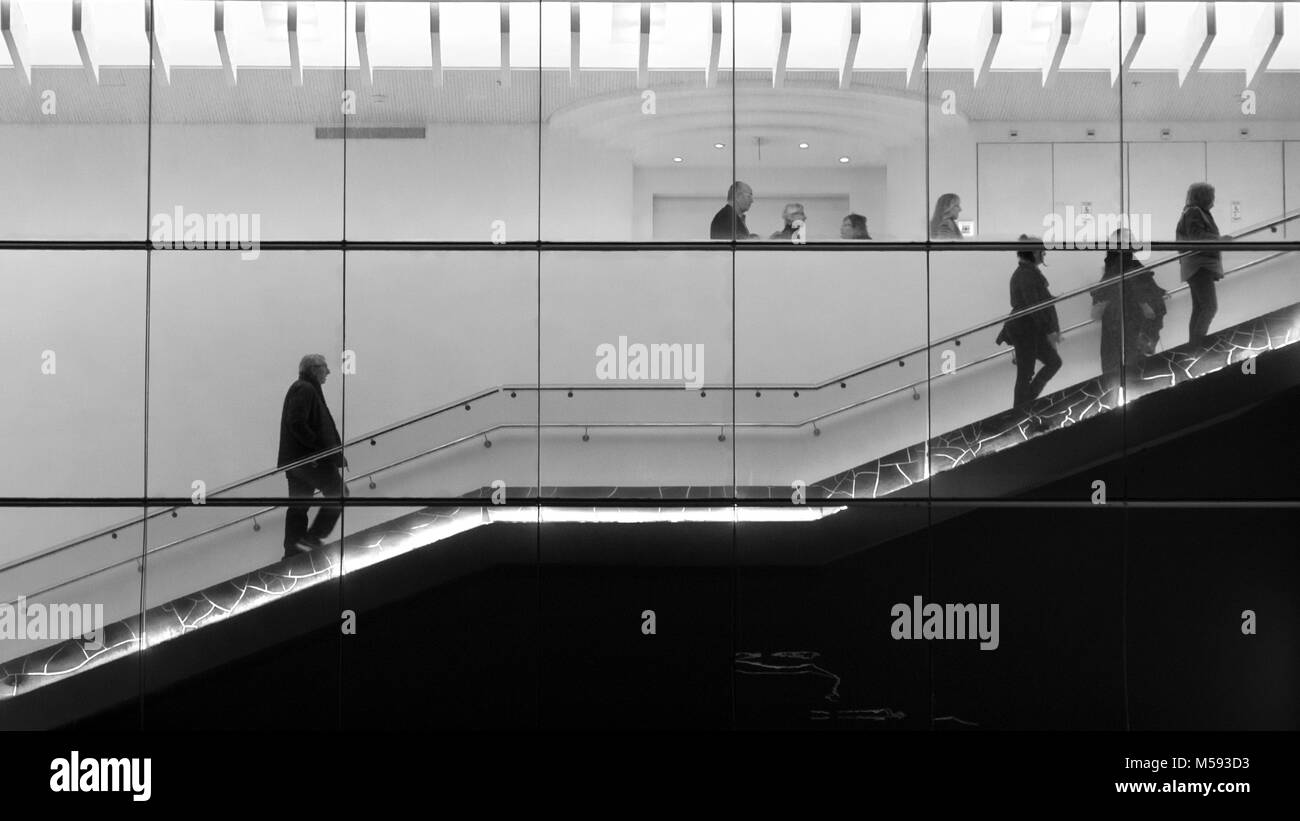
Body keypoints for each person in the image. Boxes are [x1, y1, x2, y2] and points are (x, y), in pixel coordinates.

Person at [278, 353, 348, 557]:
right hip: (310, 460)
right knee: (339, 493)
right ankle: (312, 539)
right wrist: (317, 450)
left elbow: (298, 422)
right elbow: (297, 422)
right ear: (314, 369)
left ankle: (293, 551)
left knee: (299, 506)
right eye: (325, 367)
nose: (328, 371)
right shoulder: (305, 389)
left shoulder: (304, 389)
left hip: (297, 462)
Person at [995, 235, 1061, 431]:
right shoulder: (1026, 275)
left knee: (1048, 365)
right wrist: (1050, 330)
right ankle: (1022, 414)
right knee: (1027, 373)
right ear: (1033, 252)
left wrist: (1051, 328)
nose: (1044, 253)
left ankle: (1023, 411)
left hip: (1029, 328)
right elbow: (1034, 305)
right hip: (1025, 328)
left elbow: (1037, 303)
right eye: (1042, 250)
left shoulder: (1027, 273)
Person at [1091, 228, 1166, 382]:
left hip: (1119, 323)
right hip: (1130, 320)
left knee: (1117, 370)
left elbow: (1104, 296)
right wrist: (1146, 303)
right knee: (1135, 370)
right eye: (1129, 239)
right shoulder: (1125, 262)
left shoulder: (1114, 264)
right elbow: (1135, 283)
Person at [1176, 182, 1226, 345]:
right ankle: (1197, 345)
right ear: (1204, 197)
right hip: (1199, 265)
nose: (1213, 200)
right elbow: (1196, 235)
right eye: (1212, 196)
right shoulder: (1194, 212)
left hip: (1195, 266)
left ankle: (1194, 344)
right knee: (1209, 307)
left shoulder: (1192, 212)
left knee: (1200, 308)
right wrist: (1219, 240)